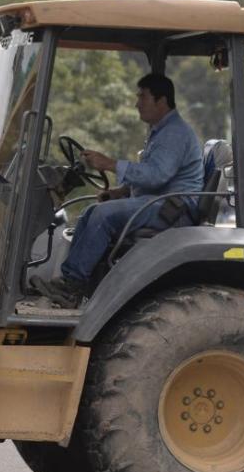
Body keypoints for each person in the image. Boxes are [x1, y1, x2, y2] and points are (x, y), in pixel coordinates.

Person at [33, 74, 203, 308]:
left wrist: (110, 164)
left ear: (161, 100)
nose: (136, 103)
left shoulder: (174, 133)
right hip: (157, 201)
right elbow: (151, 176)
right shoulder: (160, 131)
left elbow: (157, 175)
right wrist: (119, 193)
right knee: (91, 213)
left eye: (142, 97)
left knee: (104, 216)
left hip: (172, 209)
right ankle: (74, 283)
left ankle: (72, 287)